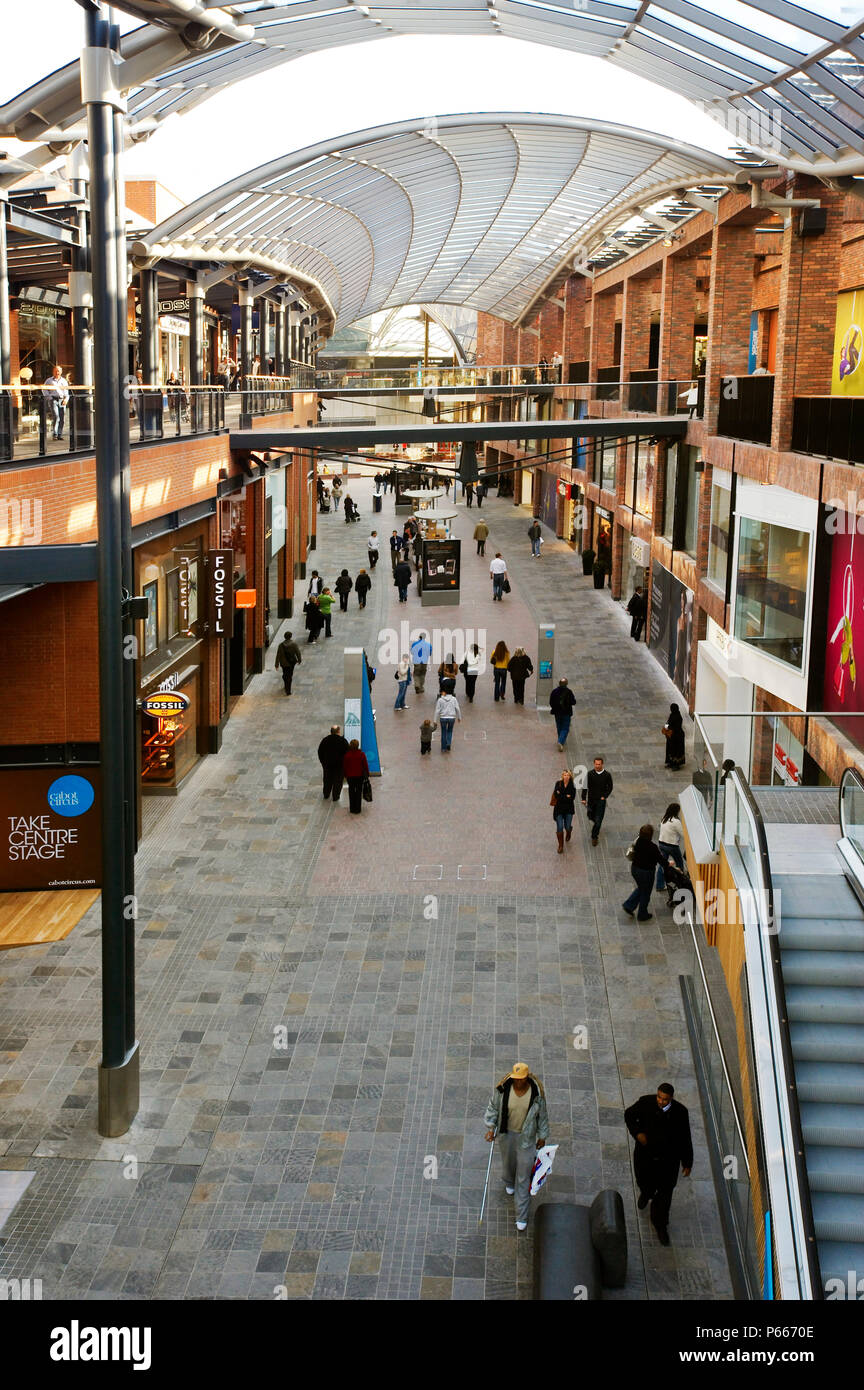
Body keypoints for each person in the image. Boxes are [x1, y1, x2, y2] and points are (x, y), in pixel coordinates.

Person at [484, 1062, 549, 1232]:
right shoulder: (503, 1090)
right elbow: (493, 1107)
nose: (517, 1082)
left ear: (526, 1078)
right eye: (515, 1079)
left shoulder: (536, 1094)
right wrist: (491, 1127)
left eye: (521, 1079)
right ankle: (508, 1180)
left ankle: (521, 1214)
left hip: (526, 1138)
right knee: (508, 1163)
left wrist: (542, 1136)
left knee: (523, 1175)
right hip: (507, 1134)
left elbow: (542, 1116)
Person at [624, 1084, 692, 1245]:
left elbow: (685, 1139)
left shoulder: (681, 1113)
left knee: (664, 1196)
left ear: (671, 1098)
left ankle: (660, 1225)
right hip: (646, 1157)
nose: (661, 1101)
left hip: (668, 1162)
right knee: (644, 1181)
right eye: (659, 1097)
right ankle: (646, 1193)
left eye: (665, 1099)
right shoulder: (646, 1103)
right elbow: (629, 1115)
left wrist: (687, 1162)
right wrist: (638, 1133)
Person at [622, 824, 670, 921]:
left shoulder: (638, 841)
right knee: (646, 892)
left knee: (641, 888)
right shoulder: (653, 847)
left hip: (635, 869)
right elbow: (660, 860)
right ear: (651, 835)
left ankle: (629, 905)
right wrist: (668, 864)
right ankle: (642, 914)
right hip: (646, 873)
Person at [582, 755, 612, 846]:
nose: (597, 766)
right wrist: (583, 798)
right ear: (594, 764)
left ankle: (594, 836)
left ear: (602, 764)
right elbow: (585, 786)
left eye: (599, 764)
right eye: (596, 764)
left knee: (598, 820)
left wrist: (604, 796)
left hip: (601, 801)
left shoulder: (607, 775)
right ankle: (595, 824)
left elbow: (610, 787)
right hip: (591, 800)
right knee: (591, 816)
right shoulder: (590, 774)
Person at [657, 803, 685, 896]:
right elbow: (683, 834)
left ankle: (660, 885)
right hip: (672, 846)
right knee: (680, 863)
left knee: (662, 864)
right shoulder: (676, 821)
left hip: (661, 844)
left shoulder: (664, 819)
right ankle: (681, 884)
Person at [318, 724, 349, 801]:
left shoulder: (325, 740)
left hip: (327, 765)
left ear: (331, 732)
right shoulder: (343, 741)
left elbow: (320, 752)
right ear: (338, 731)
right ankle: (336, 796)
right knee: (338, 781)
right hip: (339, 766)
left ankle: (326, 794)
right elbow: (347, 754)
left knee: (327, 780)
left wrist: (323, 762)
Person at [550, 768, 577, 854]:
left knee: (567, 826)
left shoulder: (572, 786)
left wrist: (561, 795)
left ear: (570, 776)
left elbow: (572, 798)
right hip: (559, 810)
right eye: (565, 775)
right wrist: (566, 796)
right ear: (562, 776)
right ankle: (561, 845)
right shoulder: (558, 783)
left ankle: (569, 831)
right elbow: (556, 795)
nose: (566, 777)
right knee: (560, 827)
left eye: (568, 775)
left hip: (568, 810)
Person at [343, 738, 369, 814]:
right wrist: (367, 774)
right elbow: (365, 765)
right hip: (359, 776)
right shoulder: (361, 754)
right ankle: (358, 809)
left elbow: (345, 766)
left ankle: (352, 808)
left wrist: (345, 775)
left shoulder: (347, 755)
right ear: (358, 746)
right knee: (358, 791)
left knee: (351, 791)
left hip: (350, 777)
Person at [43, 365, 70, 440]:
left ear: (61, 372)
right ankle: (54, 434)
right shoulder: (49, 380)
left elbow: (66, 391)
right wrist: (49, 398)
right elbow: (44, 389)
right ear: (53, 371)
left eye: (58, 371)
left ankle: (59, 434)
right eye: (55, 371)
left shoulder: (64, 381)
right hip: (53, 400)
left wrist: (66, 399)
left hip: (62, 400)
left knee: (62, 418)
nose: (57, 372)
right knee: (56, 416)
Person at [549, 677, 576, 749]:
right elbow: (573, 702)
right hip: (566, 713)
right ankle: (560, 741)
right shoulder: (569, 692)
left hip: (557, 713)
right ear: (566, 684)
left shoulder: (554, 691)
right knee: (565, 728)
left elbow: (551, 702)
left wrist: (554, 708)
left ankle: (560, 740)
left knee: (559, 726)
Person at [433, 686, 462, 751]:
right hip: (452, 718)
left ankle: (443, 748)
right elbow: (457, 708)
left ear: (444, 692)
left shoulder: (440, 700)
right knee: (450, 731)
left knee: (443, 732)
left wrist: (435, 720)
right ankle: (448, 743)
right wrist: (459, 717)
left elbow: (437, 710)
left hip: (443, 718)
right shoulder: (454, 699)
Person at [274, 629, 302, 695]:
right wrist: (299, 660)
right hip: (291, 663)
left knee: (285, 674)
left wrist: (276, 665)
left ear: (284, 637)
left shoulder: (281, 645)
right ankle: (288, 690)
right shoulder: (294, 644)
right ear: (291, 636)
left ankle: (286, 686)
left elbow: (278, 655)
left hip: (284, 663)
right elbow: (298, 653)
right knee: (289, 675)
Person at [663, 702, 686, 770]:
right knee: (670, 750)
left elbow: (676, 727)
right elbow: (668, 722)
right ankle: (671, 762)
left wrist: (669, 729)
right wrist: (665, 728)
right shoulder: (672, 715)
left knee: (676, 751)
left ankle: (676, 765)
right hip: (671, 736)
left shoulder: (678, 717)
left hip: (677, 737)